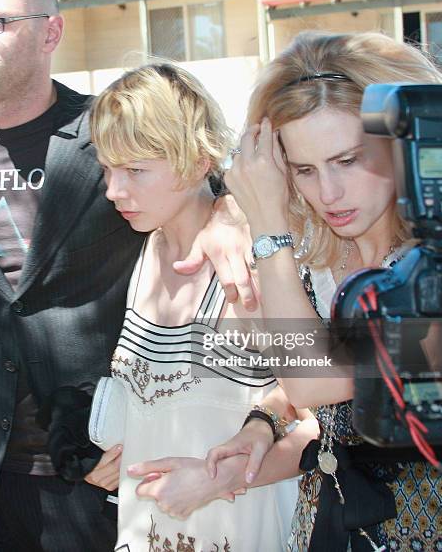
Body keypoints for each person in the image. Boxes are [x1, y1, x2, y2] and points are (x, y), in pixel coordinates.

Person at [0, 0, 255, 551]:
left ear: (50, 32)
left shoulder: (111, 130)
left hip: (91, 468)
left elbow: (192, 168)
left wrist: (227, 211)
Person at [134, 32, 442, 551]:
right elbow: (315, 398)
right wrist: (263, 423)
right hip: (327, 524)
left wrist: (266, 225)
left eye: (349, 160)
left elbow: (316, 381)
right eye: (304, 169)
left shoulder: (429, 266)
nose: (329, 193)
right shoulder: (317, 252)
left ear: (405, 144)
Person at [87, 62, 302, 551]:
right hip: (145, 528)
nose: (112, 190)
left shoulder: (248, 263)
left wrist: (220, 478)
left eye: (135, 170)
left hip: (243, 528)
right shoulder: (134, 252)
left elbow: (320, 419)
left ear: (196, 159)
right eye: (107, 168)